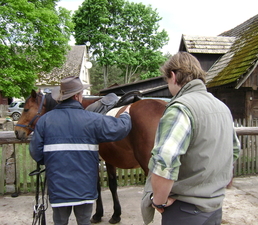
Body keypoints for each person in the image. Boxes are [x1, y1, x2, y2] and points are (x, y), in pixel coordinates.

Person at [144, 52, 235, 225]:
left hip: (185, 211)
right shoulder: (223, 108)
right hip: (215, 207)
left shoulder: (180, 109)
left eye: (167, 80)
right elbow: (233, 152)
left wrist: (158, 200)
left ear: (172, 76)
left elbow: (165, 163)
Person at [29, 76, 132, 225]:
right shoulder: (93, 119)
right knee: (84, 221)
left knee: (60, 222)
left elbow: (36, 153)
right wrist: (126, 114)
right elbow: (120, 129)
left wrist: (54, 161)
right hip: (84, 188)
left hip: (58, 188)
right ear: (77, 96)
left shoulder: (45, 120)